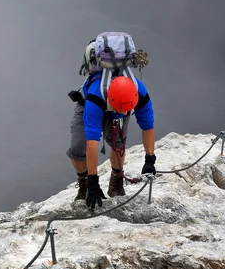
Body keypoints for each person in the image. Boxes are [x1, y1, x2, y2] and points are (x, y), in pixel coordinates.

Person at [66, 34, 157, 211]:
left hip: (118, 102)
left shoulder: (140, 93)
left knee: (118, 144)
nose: (123, 113)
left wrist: (150, 159)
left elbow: (148, 126)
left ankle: (116, 180)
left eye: (127, 110)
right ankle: (83, 183)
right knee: (77, 147)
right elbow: (92, 141)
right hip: (91, 106)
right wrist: (93, 181)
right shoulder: (95, 97)